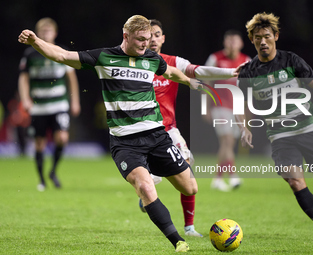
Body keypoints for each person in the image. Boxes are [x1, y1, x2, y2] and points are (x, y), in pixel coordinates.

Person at [18, 15, 210, 252]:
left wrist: (191, 83)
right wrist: (36, 41)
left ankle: (154, 172)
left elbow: (171, 72)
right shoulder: (104, 57)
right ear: (125, 36)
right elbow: (62, 55)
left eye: (148, 39)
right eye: (140, 39)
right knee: (146, 187)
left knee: (190, 188)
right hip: (126, 143)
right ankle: (178, 241)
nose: (145, 44)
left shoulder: (151, 58)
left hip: (157, 136)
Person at [237, 12, 313, 242]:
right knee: (294, 181)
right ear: (251, 40)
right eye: (257, 38)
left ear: (276, 36)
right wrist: (245, 128)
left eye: (266, 36)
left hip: (306, 129)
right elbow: (240, 105)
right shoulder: (248, 72)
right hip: (279, 135)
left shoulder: (291, 61)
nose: (262, 41)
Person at [138, 19, 242, 238]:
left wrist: (231, 72)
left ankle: (189, 227)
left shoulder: (173, 62)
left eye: (157, 34)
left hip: (168, 130)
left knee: (188, 173)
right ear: (143, 39)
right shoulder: (133, 64)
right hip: (140, 132)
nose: (154, 39)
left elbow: (199, 70)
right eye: (149, 35)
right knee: (149, 180)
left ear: (163, 38)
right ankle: (148, 187)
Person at [18, 18, 81, 191]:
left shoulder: (61, 51)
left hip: (59, 104)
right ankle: (41, 180)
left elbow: (71, 77)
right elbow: (23, 78)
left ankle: (53, 171)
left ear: (55, 33)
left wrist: (75, 100)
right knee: (39, 143)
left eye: (49, 30)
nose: (46, 33)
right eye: (43, 31)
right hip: (39, 105)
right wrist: (25, 99)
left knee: (62, 138)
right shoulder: (30, 54)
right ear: (38, 33)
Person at [205, 30, 251, 192]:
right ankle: (232, 176)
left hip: (237, 109)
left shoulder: (246, 61)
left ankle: (217, 179)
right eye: (229, 41)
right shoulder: (215, 58)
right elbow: (206, 83)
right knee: (227, 140)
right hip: (220, 106)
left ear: (241, 44)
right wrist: (205, 107)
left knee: (229, 143)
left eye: (235, 41)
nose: (232, 44)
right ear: (224, 43)